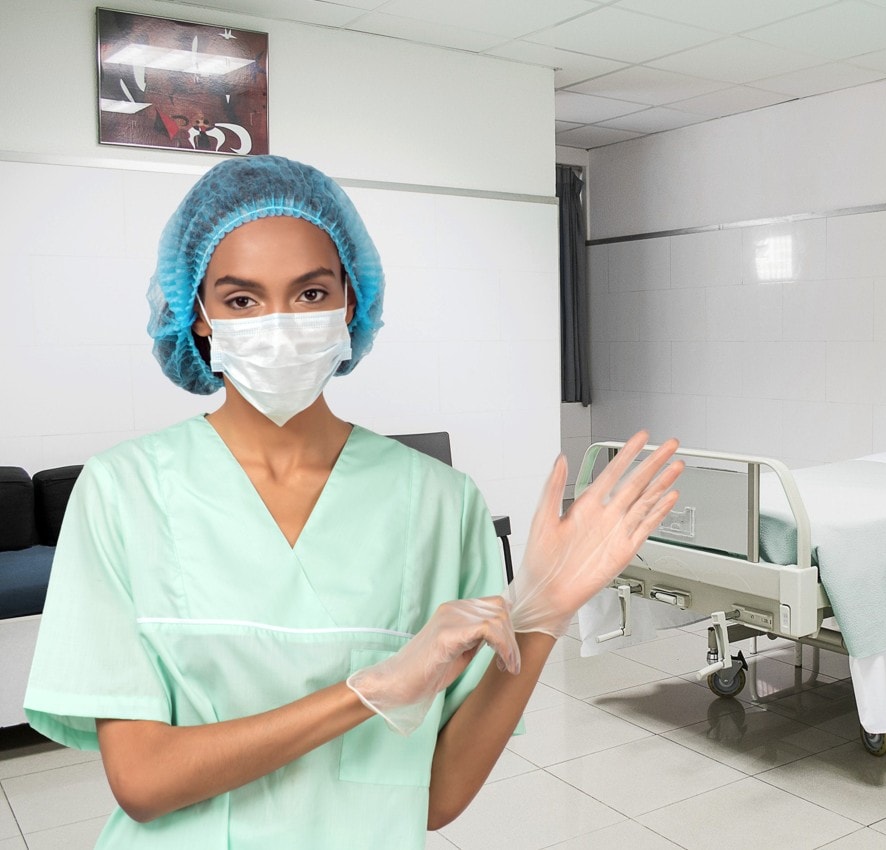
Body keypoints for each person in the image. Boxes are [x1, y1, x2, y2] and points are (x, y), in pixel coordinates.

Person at [22, 155, 682, 848]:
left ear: (350, 302)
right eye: (242, 299)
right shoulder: (121, 491)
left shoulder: (439, 503)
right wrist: (366, 692)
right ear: (199, 316)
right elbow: (144, 782)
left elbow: (437, 796)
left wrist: (540, 616)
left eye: (309, 294)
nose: (279, 325)